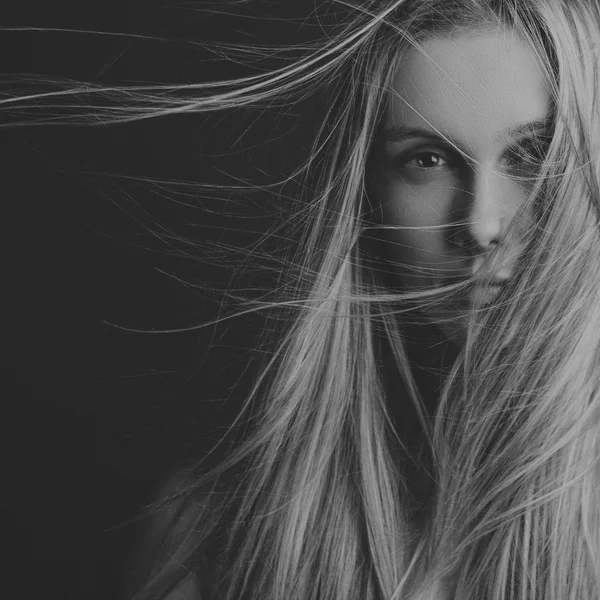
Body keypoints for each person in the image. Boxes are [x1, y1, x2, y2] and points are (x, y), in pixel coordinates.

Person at [7, 0, 600, 598]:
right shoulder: (213, 528)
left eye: (530, 156)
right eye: (427, 159)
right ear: (365, 197)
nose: (480, 222)